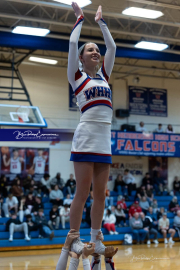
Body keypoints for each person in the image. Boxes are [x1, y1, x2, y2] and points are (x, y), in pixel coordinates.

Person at [67, 2, 116, 255]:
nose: (96, 52)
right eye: (90, 50)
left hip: (104, 141)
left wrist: (101, 22)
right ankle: (74, 238)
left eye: (97, 49)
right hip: (86, 138)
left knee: (101, 195)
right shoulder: (76, 77)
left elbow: (113, 47)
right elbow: (72, 45)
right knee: (82, 192)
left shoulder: (104, 77)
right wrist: (80, 18)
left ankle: (96, 238)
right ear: (82, 57)